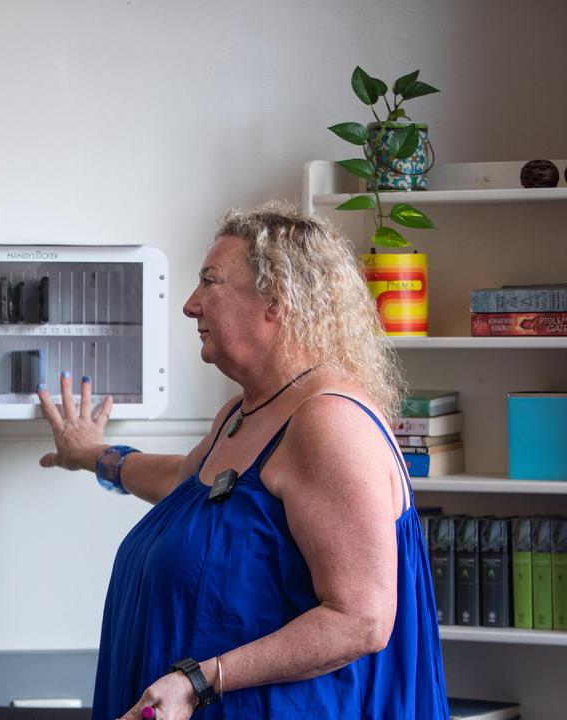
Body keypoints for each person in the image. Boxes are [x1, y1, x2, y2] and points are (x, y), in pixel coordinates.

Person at [37, 203, 448, 720]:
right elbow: (183, 483)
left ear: (276, 299)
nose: (190, 305)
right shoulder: (244, 411)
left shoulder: (328, 423)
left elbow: (361, 619)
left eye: (210, 282)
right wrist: (92, 455)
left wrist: (198, 683)